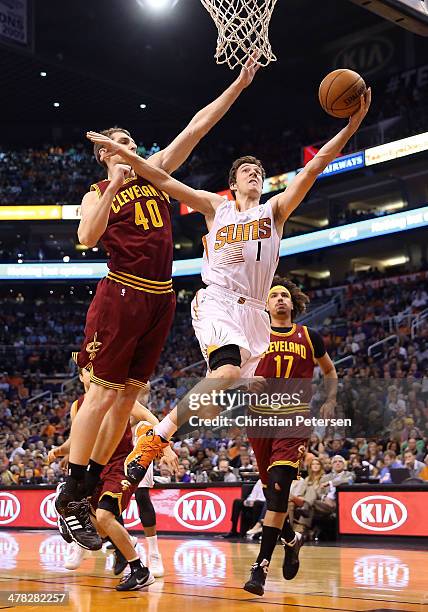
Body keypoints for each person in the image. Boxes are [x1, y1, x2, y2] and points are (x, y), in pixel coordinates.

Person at [86, 88, 372, 499]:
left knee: (232, 389)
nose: (254, 173)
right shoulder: (213, 207)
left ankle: (279, 527)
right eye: (246, 170)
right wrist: (122, 155)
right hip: (217, 300)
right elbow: (161, 178)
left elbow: (315, 167)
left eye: (259, 170)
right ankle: (155, 441)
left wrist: (351, 126)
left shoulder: (274, 211)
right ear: (232, 182)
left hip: (255, 316)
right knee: (226, 373)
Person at [55, 60, 261, 549]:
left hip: (161, 297)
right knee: (101, 394)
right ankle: (72, 487)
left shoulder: (158, 172)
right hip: (122, 290)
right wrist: (114, 184)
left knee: (126, 399)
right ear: (104, 153)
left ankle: (88, 489)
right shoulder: (98, 192)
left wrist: (238, 83)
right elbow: (86, 236)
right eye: (118, 143)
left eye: (131, 142)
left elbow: (198, 125)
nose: (128, 148)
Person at [243, 278, 337, 595]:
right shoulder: (253, 336)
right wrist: (245, 383)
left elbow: (329, 371)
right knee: (273, 497)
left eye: (285, 295)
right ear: (266, 305)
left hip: (294, 417)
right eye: (274, 296)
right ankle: (291, 540)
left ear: (292, 303)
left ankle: (260, 568)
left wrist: (330, 399)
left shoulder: (309, 336)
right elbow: (234, 373)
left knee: (280, 492)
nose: (280, 299)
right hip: (258, 419)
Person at [50, 369, 176, 590]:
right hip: (95, 468)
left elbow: (152, 419)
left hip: (121, 464)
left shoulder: (117, 395)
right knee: (98, 525)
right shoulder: (77, 406)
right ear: (81, 377)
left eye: (94, 369)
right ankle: (134, 559)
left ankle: (139, 568)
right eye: (87, 371)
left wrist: (165, 450)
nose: (92, 373)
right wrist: (61, 451)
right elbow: (77, 438)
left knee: (106, 516)